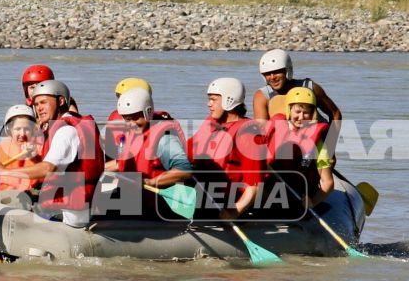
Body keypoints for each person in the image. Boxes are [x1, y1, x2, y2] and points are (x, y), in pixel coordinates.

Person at [11, 78, 102, 227]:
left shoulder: (66, 131)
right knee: (25, 195)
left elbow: (48, 169)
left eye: (43, 103)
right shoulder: (75, 123)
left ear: (60, 101)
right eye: (36, 104)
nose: (39, 108)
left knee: (11, 201)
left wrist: (7, 172)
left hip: (68, 213)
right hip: (80, 207)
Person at [103, 86, 193, 220]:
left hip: (158, 208)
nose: (130, 124)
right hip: (136, 199)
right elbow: (121, 163)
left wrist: (150, 182)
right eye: (126, 119)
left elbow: (184, 171)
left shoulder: (164, 139)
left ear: (148, 112)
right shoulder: (133, 134)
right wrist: (98, 168)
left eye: (134, 118)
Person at [190, 77, 268, 216]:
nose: (209, 104)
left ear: (229, 100)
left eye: (213, 99)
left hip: (227, 203)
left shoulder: (248, 134)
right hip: (203, 193)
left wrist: (236, 210)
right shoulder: (211, 124)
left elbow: (255, 186)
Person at [253, 49, 343, 137]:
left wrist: (330, 145)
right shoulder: (262, 96)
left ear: (287, 70)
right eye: (267, 73)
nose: (272, 77)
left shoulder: (310, 87)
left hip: (317, 143)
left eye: (277, 72)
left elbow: (335, 114)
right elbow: (262, 133)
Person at [267, 85, 334, 204]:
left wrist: (313, 202)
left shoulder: (317, 142)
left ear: (312, 114)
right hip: (272, 192)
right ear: (289, 110)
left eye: (306, 113)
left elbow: (328, 182)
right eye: (297, 112)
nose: (301, 117)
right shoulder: (274, 131)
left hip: (299, 196)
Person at [0, 104, 43, 203]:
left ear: (33, 130)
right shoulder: (1, 150)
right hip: (1, 201)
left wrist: (34, 157)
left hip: (30, 202)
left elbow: (47, 175)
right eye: (18, 129)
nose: (22, 134)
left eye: (27, 129)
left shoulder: (41, 148)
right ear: (9, 130)